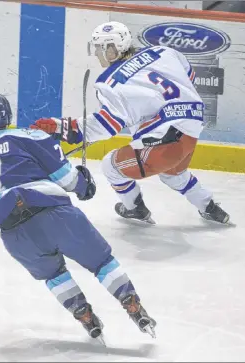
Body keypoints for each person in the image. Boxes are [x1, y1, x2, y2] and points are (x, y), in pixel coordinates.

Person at [0, 93, 156, 343]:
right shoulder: (29, 135)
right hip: (53, 212)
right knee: (101, 262)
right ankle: (132, 304)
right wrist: (83, 183)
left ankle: (85, 316)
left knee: (54, 275)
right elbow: (68, 179)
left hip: (14, 235)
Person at [31, 21, 230, 225]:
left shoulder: (109, 82)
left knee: (110, 166)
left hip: (165, 141)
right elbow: (189, 77)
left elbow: (105, 126)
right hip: (192, 129)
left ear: (112, 49)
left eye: (100, 48)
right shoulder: (163, 51)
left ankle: (134, 208)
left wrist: (63, 127)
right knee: (173, 174)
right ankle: (211, 208)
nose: (98, 54)